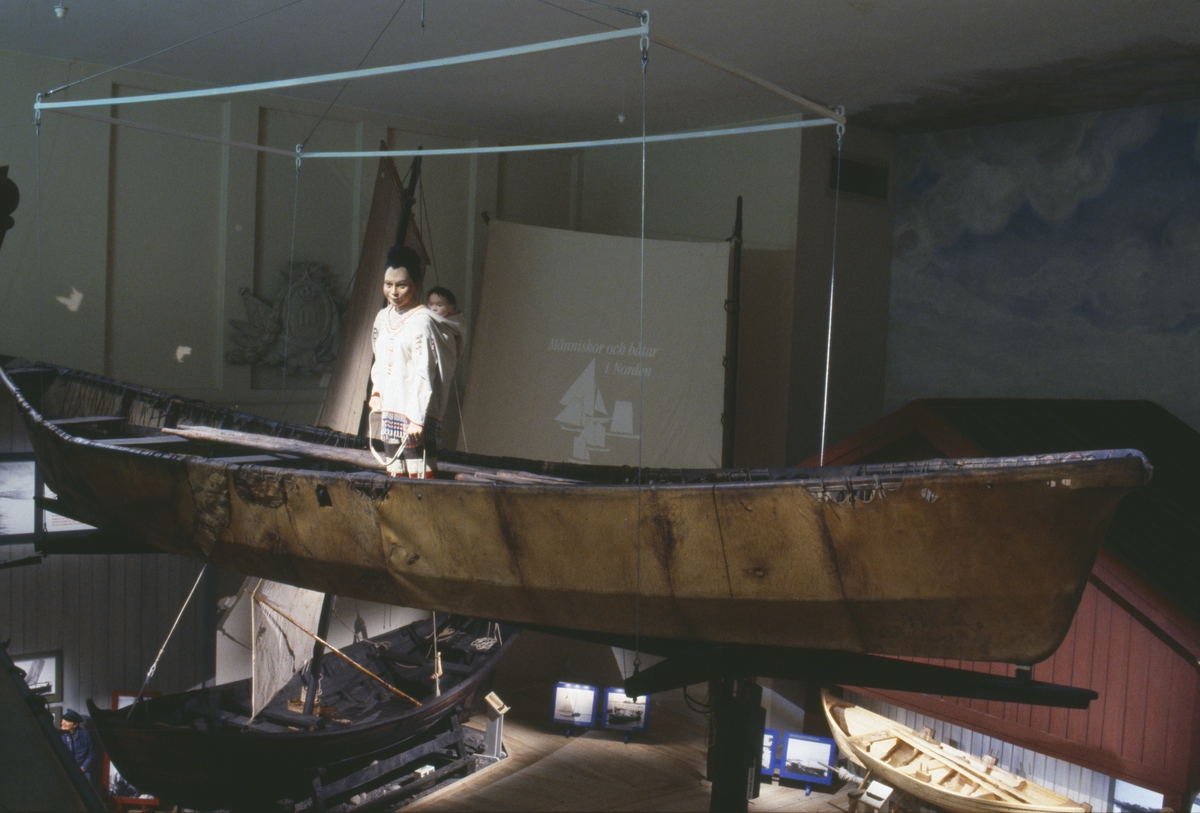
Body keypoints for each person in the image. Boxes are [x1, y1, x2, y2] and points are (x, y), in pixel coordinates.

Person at [369, 246, 461, 477]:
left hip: (414, 415)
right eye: (388, 284)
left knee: (418, 474)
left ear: (417, 284)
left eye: (401, 285)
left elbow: (425, 371)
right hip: (389, 410)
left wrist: (417, 420)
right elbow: (379, 358)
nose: (393, 292)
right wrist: (377, 391)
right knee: (394, 473)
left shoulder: (422, 321)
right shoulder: (382, 317)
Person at [60, 709, 98, 787]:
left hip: (81, 770)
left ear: (75, 725)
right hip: (64, 769)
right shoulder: (58, 735)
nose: (62, 723)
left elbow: (92, 753)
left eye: (66, 721)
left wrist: (83, 768)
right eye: (63, 720)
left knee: (88, 788)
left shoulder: (85, 735)